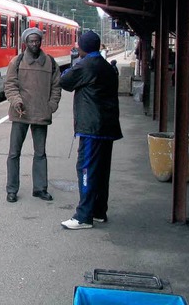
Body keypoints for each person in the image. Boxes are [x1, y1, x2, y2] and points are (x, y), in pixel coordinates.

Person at [59, 31, 122, 230]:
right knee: (102, 170)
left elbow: (65, 81)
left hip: (91, 128)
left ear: (82, 47)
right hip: (107, 127)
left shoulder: (86, 65)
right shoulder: (105, 65)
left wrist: (74, 62)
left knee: (85, 168)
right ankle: (99, 211)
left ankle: (83, 216)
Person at [4, 27, 62, 203]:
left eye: (37, 40)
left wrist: (51, 106)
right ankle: (12, 190)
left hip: (41, 113)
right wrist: (16, 101)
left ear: (40, 41)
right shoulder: (17, 61)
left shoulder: (50, 62)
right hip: (20, 113)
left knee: (40, 153)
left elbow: (56, 86)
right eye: (31, 41)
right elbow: (10, 85)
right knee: (14, 153)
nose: (34, 44)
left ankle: (40, 189)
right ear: (25, 43)